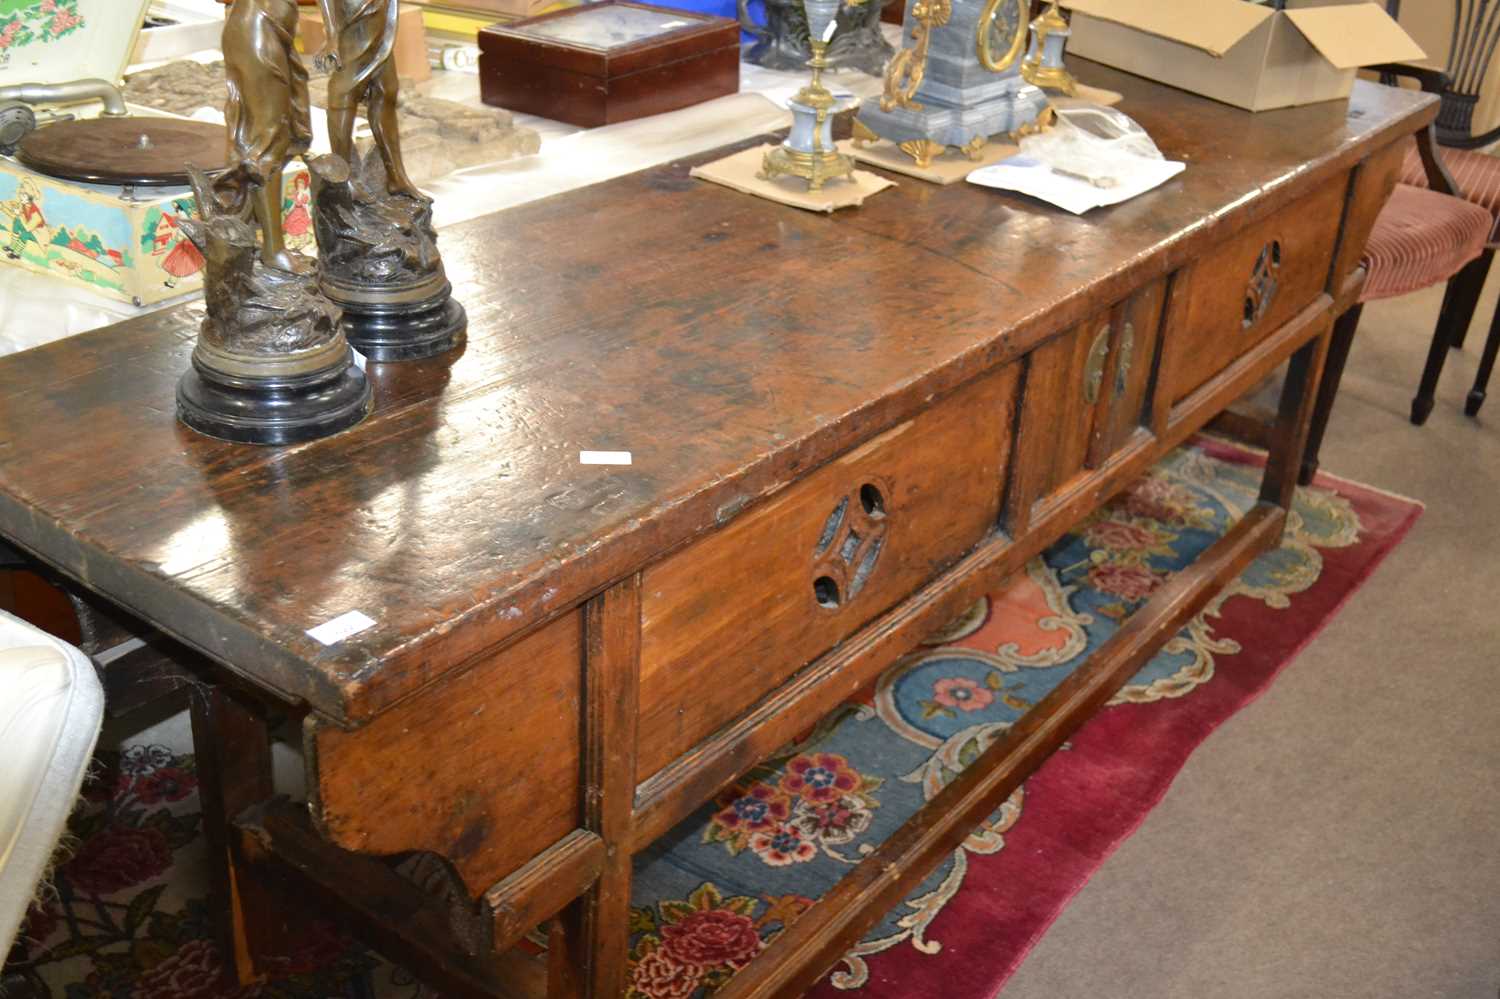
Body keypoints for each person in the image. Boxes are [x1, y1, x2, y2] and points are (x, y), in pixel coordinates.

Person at [220, 0, 312, 271]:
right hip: (258, 28)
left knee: (280, 135)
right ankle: (273, 250)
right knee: (269, 140)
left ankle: (242, 231)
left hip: (273, 28)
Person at [315, 0, 422, 200]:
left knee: (386, 91)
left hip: (380, 27)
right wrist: (331, 34)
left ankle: (396, 176)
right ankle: (343, 179)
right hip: (353, 18)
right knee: (344, 92)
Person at [1, 180, 48, 261]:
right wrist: (3, 208)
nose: (20, 196)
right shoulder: (23, 204)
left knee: (25, 233)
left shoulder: (35, 214)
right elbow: (14, 216)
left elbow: (28, 228)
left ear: (29, 198)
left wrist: (19, 215)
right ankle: (12, 247)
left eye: (23, 195)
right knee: (16, 222)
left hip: (37, 233)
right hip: (27, 226)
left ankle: (17, 253)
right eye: (21, 194)